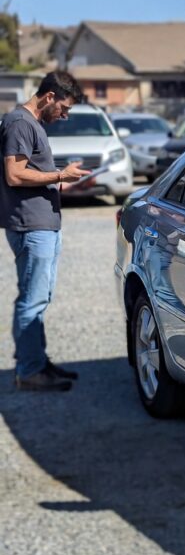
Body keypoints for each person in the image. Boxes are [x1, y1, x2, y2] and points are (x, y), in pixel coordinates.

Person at [1, 71, 91, 392]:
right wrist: (57, 175)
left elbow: (29, 172)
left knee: (40, 297)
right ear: (49, 96)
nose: (65, 116)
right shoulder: (20, 123)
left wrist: (59, 178)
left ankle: (37, 361)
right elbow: (14, 174)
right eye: (64, 109)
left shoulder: (32, 124)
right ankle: (29, 371)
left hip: (43, 224)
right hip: (30, 225)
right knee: (32, 300)